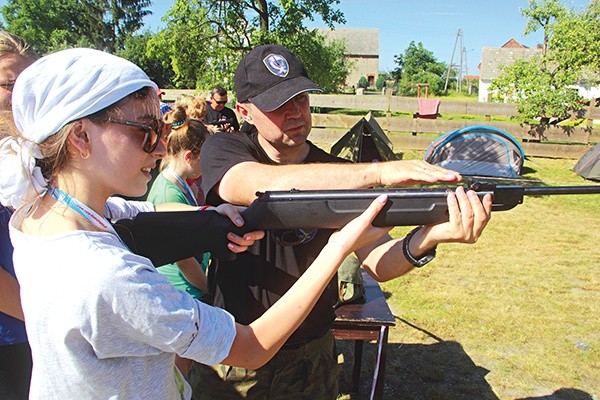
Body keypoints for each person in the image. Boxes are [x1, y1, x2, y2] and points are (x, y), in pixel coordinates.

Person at [0, 47, 393, 400]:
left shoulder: (37, 214)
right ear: (81, 137)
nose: (158, 147)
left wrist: (214, 219)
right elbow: (253, 347)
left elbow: (138, 217)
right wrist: (337, 248)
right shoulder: (110, 276)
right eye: (145, 132)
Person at [193, 44, 493, 399]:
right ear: (244, 110)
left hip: (311, 357)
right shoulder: (225, 149)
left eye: (300, 99)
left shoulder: (335, 174)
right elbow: (255, 184)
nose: (295, 112)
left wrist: (429, 237)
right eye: (277, 105)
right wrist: (377, 171)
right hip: (234, 354)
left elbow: (378, 262)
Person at [0, 30, 37, 400]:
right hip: (12, 336)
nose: (20, 95)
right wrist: (46, 314)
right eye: (9, 83)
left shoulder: (27, 150)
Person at [147, 105, 211, 300]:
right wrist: (210, 289)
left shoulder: (180, 184)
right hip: (183, 291)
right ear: (189, 157)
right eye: (204, 159)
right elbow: (184, 261)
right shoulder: (169, 195)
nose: (207, 166)